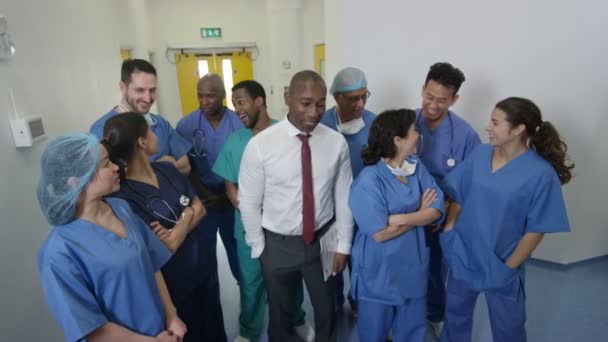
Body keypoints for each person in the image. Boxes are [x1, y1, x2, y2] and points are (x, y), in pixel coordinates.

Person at [440, 97, 574, 342]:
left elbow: (536, 229)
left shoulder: (540, 174)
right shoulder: (480, 154)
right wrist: (450, 229)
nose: (487, 127)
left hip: (501, 261)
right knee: (454, 317)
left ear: (518, 129)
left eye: (495, 122)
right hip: (464, 253)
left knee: (508, 329)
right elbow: (460, 194)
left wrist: (509, 268)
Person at [238, 70, 354, 342]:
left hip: (321, 240)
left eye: (321, 103)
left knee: (327, 311)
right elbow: (250, 202)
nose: (314, 112)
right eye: (306, 103)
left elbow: (344, 196)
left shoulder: (336, 143)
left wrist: (343, 244)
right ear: (288, 98)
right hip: (276, 244)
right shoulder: (261, 146)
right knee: (280, 316)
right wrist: (259, 247)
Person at [37, 133, 186, 342]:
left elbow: (151, 264)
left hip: (162, 332)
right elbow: (91, 330)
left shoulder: (121, 208)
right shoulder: (58, 252)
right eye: (106, 163)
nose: (116, 167)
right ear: (76, 181)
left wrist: (171, 316)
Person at [103, 113, 227, 342]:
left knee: (215, 329)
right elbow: (163, 247)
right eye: (150, 131)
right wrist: (187, 214)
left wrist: (180, 224)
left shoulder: (167, 169)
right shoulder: (124, 197)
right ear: (142, 142)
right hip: (175, 284)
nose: (155, 134)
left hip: (204, 268)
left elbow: (200, 209)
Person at [212, 80, 313, 342]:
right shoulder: (236, 141)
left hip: (283, 226)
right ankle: (248, 330)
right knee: (250, 281)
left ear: (259, 100)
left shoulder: (287, 134)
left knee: (290, 279)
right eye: (234, 104)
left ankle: (297, 319)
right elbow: (229, 184)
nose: (237, 109)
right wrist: (248, 212)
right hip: (247, 226)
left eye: (241, 102)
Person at [349, 109, 445, 342]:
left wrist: (401, 218)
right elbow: (380, 234)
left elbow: (436, 210)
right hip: (379, 270)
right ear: (398, 140)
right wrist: (418, 214)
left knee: (412, 328)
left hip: (413, 264)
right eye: (415, 131)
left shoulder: (416, 167)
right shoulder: (369, 180)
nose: (419, 136)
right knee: (374, 331)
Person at [414, 62, 481, 335]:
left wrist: (445, 210)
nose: (433, 104)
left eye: (442, 100)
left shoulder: (466, 136)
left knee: (437, 270)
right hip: (408, 210)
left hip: (446, 215)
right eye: (429, 96)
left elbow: (471, 185)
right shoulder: (407, 123)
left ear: (454, 99)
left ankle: (436, 313)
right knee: (408, 266)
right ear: (422, 90)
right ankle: (408, 313)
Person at [176, 73, 243, 282]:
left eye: (211, 96)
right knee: (203, 253)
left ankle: (246, 292)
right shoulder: (186, 125)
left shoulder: (238, 123)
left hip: (233, 197)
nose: (205, 101)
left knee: (238, 250)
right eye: (200, 95)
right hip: (202, 198)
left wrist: (226, 196)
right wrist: (205, 194)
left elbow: (244, 165)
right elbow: (186, 166)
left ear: (223, 95)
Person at [320, 67, 376, 312]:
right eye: (353, 98)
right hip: (329, 210)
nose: (360, 103)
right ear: (337, 98)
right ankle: (333, 304)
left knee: (361, 263)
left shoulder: (375, 125)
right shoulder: (321, 125)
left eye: (364, 96)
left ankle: (358, 303)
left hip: (364, 209)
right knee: (332, 261)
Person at [90, 58, 191, 175]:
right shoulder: (101, 130)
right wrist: (162, 166)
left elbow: (186, 166)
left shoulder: (160, 124)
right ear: (123, 87)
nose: (148, 98)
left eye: (152, 90)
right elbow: (105, 180)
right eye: (140, 90)